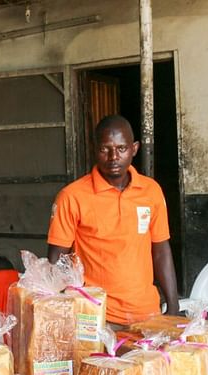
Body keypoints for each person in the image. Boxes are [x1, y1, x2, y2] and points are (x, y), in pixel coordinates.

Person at [47, 115, 179, 326]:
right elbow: (56, 259)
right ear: (94, 149)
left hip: (147, 313)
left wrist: (173, 306)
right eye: (104, 149)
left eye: (121, 148)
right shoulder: (72, 196)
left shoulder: (151, 191)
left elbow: (161, 250)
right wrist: (65, 311)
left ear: (134, 148)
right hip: (97, 317)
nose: (113, 157)